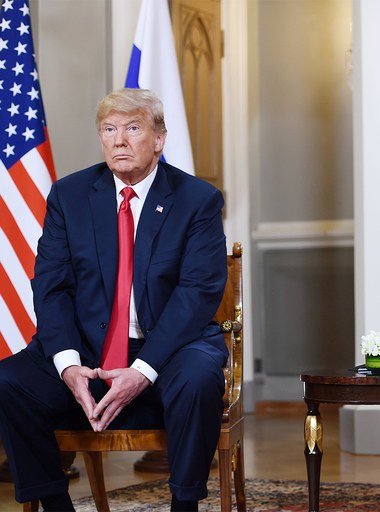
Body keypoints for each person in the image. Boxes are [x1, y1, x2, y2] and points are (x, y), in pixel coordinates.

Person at [0, 88, 228, 512]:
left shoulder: (197, 200)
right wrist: (68, 364)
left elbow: (196, 294)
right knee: (10, 381)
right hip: (90, 348)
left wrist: (143, 370)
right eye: (109, 129)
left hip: (170, 348)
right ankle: (55, 505)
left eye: (133, 128)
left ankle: (185, 504)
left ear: (159, 139)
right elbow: (50, 286)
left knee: (198, 379)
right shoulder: (69, 196)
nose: (119, 140)